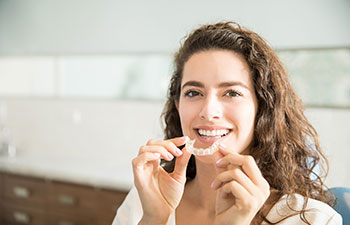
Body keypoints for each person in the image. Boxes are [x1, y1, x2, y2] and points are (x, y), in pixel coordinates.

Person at [112, 22, 342, 225]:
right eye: (193, 93)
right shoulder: (145, 200)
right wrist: (154, 220)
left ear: (263, 108)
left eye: (231, 93)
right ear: (177, 104)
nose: (208, 112)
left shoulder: (314, 219)